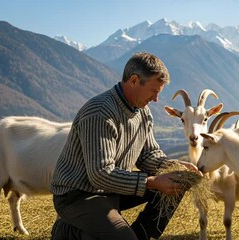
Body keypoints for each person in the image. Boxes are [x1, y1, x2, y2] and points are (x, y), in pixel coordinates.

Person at [50, 52, 200, 240]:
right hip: (79, 195)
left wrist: (173, 167)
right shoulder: (100, 113)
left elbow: (148, 155)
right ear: (134, 80)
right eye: (154, 91)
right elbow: (100, 174)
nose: (156, 100)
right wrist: (151, 182)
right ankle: (68, 230)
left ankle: (141, 236)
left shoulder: (143, 112)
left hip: (111, 189)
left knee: (176, 184)